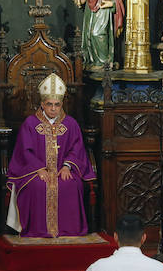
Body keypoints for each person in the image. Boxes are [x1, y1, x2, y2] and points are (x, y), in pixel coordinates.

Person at [6, 73, 96, 238]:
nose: (53, 108)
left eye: (57, 104)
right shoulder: (30, 123)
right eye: (49, 104)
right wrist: (39, 169)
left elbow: (77, 148)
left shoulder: (70, 124)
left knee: (70, 184)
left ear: (61, 104)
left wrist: (67, 166)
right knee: (37, 186)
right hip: (35, 171)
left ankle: (69, 230)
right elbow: (24, 151)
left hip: (63, 170)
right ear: (42, 104)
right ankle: (37, 230)